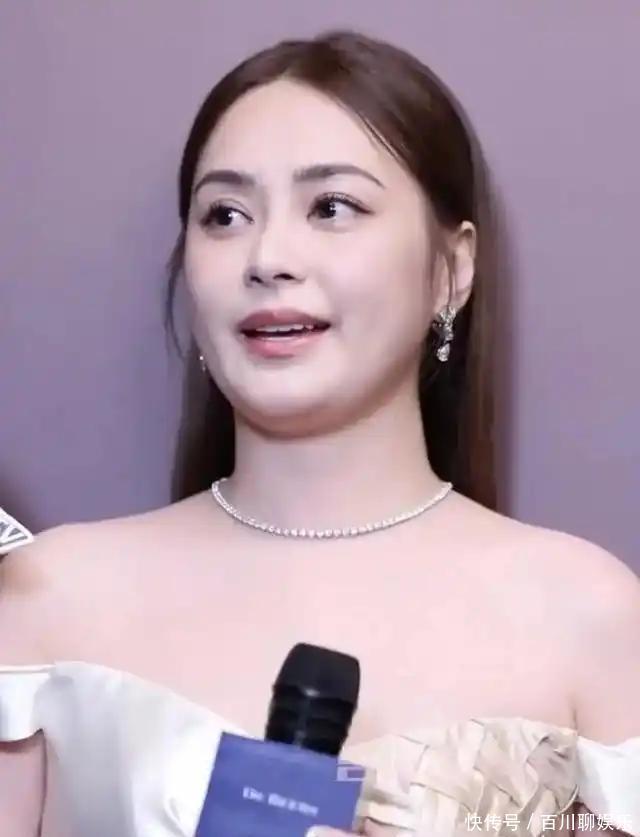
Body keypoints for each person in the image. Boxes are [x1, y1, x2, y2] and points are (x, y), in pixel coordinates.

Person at [1, 28, 639, 837]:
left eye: (332, 207)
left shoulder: (589, 617)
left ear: (452, 270)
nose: (268, 256)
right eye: (225, 215)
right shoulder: (46, 600)